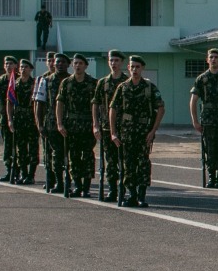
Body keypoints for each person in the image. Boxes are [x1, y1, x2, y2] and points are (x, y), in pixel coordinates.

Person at [109, 55, 164, 207]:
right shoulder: (123, 87)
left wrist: (153, 130)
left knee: (143, 164)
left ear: (142, 69)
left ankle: (142, 195)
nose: (134, 70)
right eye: (132, 67)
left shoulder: (149, 87)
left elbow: (160, 108)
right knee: (128, 164)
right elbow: (113, 108)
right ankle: (131, 194)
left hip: (143, 132)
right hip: (126, 133)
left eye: (137, 67)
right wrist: (113, 132)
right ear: (128, 68)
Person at [190, 48, 218, 188]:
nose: (214, 59)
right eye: (211, 57)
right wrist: (195, 121)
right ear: (207, 60)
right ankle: (211, 177)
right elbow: (193, 100)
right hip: (208, 120)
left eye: (216, 57)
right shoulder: (202, 79)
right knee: (209, 149)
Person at [56, 54, 98, 197]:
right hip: (71, 125)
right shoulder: (66, 83)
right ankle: (77, 186)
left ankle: (86, 188)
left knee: (87, 156)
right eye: (75, 63)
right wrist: (60, 123)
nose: (78, 66)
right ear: (72, 65)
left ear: (86, 66)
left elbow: (97, 105)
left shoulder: (93, 83)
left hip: (87, 125)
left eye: (80, 63)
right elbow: (60, 103)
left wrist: (96, 124)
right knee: (73, 157)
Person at [93, 50, 129, 202]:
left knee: (125, 161)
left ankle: (123, 189)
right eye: (111, 60)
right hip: (107, 128)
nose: (113, 63)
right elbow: (95, 103)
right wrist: (95, 124)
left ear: (121, 63)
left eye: (116, 60)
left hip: (125, 128)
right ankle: (112, 190)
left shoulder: (127, 81)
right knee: (110, 161)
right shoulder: (103, 82)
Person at [34, 53, 70, 193]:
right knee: (54, 155)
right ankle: (57, 182)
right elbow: (39, 103)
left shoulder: (71, 80)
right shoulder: (46, 81)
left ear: (68, 65)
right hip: (51, 124)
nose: (60, 64)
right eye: (57, 62)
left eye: (63, 62)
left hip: (70, 124)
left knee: (70, 155)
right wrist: (40, 124)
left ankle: (70, 182)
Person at [8, 59, 39, 185]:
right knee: (21, 149)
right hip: (19, 120)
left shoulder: (34, 83)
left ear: (31, 69)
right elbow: (9, 102)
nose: (23, 69)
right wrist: (10, 120)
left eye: (26, 67)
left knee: (32, 148)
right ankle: (23, 173)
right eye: (21, 67)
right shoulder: (15, 84)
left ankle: (31, 175)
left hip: (31, 120)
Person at [0, 56, 19, 182]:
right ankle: (9, 170)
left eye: (11, 63)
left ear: (15, 66)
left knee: (21, 145)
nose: (8, 66)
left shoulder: (20, 80)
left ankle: (22, 171)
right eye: (6, 63)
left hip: (20, 118)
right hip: (4, 117)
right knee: (7, 145)